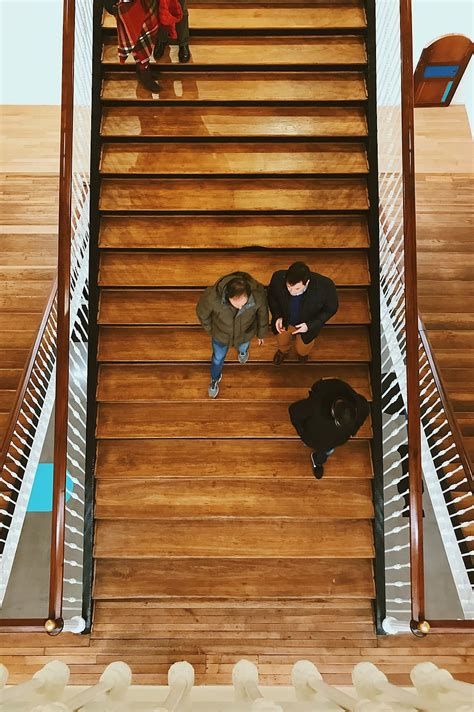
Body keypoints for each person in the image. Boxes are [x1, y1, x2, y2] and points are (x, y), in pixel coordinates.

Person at [196, 272, 268, 398]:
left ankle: (242, 352)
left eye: (244, 303)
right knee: (218, 358)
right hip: (221, 336)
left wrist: (261, 334)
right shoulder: (212, 297)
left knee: (243, 347)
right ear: (228, 297)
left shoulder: (259, 295)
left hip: (245, 333)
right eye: (236, 303)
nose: (240, 307)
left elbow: (263, 315)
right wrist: (211, 330)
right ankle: (215, 378)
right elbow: (202, 313)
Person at [289, 378, 369, 479]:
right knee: (326, 450)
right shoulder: (315, 406)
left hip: (330, 441)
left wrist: (353, 431)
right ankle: (318, 461)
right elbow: (294, 411)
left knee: (327, 451)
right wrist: (302, 433)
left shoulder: (360, 406)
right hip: (316, 436)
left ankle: (318, 462)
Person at [267, 261, 338, 366]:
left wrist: (310, 325)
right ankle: (283, 352)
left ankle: (302, 354)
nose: (292, 292)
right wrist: (277, 316)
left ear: (307, 283)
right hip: (285, 322)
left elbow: (331, 309)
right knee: (282, 342)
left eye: (297, 289)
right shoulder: (278, 278)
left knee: (303, 348)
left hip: (307, 326)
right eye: (289, 287)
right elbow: (272, 297)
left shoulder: (325, 287)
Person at [105, 0, 183, 92]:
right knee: (138, 39)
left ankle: (143, 70)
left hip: (146, 3)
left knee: (147, 36)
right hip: (129, 5)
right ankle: (144, 75)